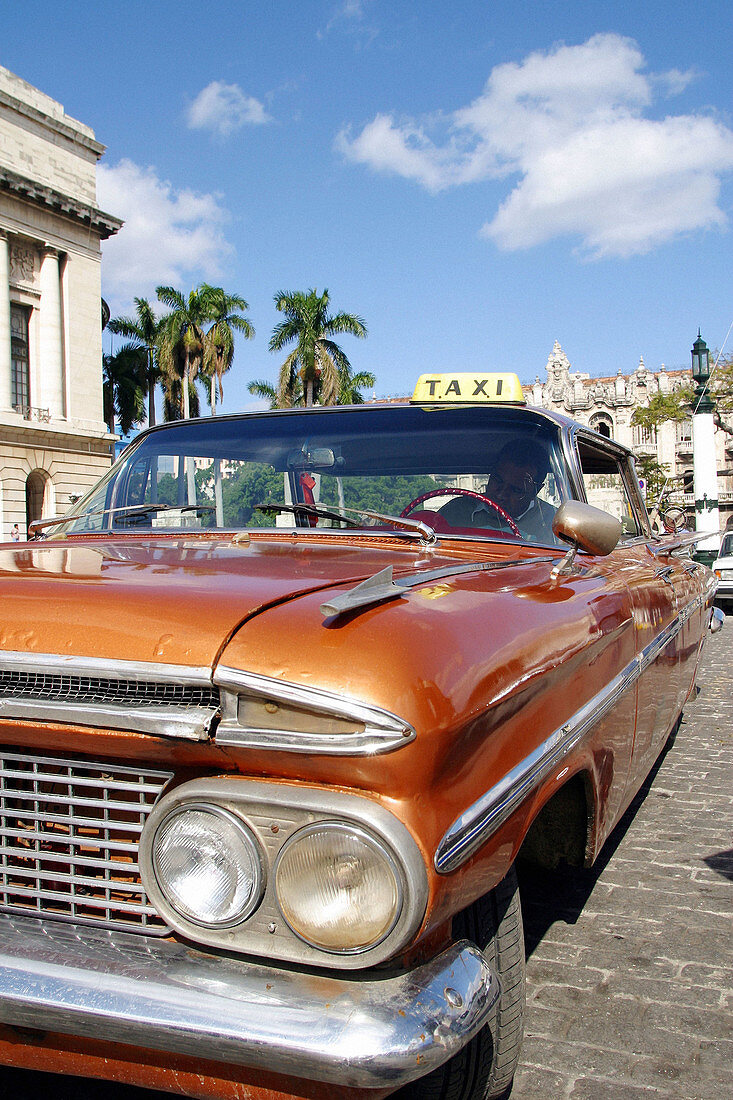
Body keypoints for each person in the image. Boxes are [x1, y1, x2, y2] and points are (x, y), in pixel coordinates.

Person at [439, 439, 557, 543]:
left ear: (535, 491)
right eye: (497, 480)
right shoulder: (455, 511)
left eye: (516, 490)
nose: (501, 495)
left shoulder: (556, 525)